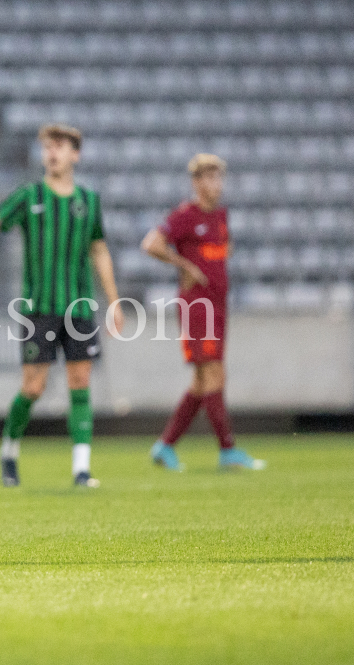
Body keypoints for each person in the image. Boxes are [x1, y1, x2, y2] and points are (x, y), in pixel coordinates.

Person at [0, 124, 124, 489]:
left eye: (60, 146)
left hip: (80, 308)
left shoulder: (89, 201)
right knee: (34, 387)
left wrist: (114, 301)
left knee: (80, 381)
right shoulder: (30, 195)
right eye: (48, 146)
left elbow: (98, 248)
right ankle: (9, 451)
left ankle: (82, 469)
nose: (52, 152)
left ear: (75, 155)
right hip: (40, 308)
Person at [142, 154, 265, 471]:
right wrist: (185, 265)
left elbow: (225, 249)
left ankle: (165, 446)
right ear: (196, 183)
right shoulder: (186, 215)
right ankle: (228, 450)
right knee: (214, 374)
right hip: (198, 306)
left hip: (218, 304)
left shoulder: (221, 216)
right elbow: (151, 243)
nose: (214, 184)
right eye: (208, 178)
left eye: (217, 178)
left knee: (201, 381)